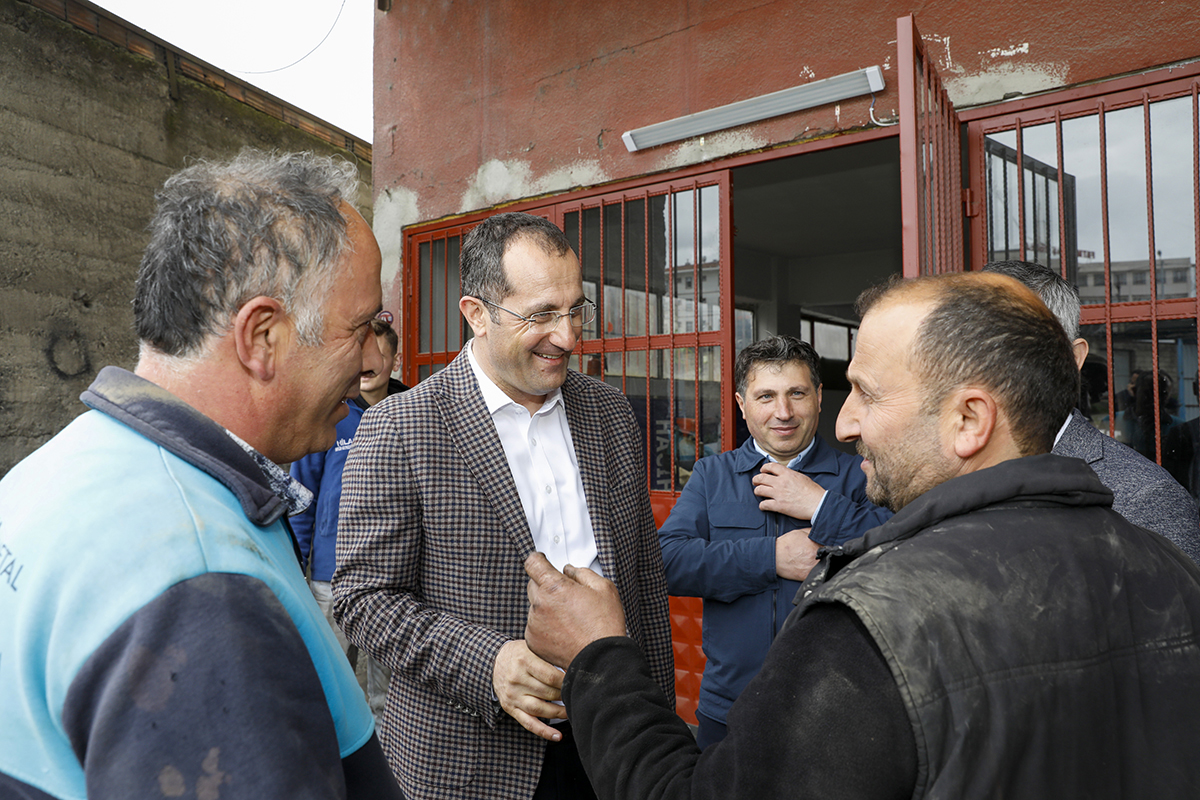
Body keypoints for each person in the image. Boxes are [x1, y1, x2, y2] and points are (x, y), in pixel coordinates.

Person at [524, 271, 1200, 800]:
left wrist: (598, 657)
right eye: (769, 397)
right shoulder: (1171, 574)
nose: (845, 424)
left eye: (865, 394)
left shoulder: (875, 626)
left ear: (970, 420)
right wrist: (768, 557)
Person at [0, 151, 402, 799]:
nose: (367, 363)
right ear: (262, 336)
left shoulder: (55, 469)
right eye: (361, 329)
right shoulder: (204, 582)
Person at [333, 211, 674, 800]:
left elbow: (645, 582)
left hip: (613, 746)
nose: (567, 337)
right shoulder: (399, 426)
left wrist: (656, 722)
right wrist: (487, 663)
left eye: (575, 310)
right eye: (541, 315)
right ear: (476, 314)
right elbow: (363, 599)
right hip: (474, 763)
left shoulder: (611, 413)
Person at [658, 334, 890, 748]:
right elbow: (667, 561)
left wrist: (820, 505)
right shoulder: (712, 476)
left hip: (833, 708)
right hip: (728, 707)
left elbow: (899, 545)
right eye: (766, 396)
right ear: (741, 404)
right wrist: (770, 558)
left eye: (796, 393)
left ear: (819, 397)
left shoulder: (859, 476)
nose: (783, 412)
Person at [983, 260, 1199, 560]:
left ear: (1074, 358)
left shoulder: (1144, 499)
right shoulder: (942, 469)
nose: (982, 366)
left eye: (1011, 346)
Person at [290, 317, 408, 720]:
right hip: (332, 577)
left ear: (394, 360)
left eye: (378, 354)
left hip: (392, 580)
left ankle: (387, 755)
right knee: (330, 684)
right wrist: (296, 565)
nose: (367, 364)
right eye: (360, 354)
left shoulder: (412, 415)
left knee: (389, 695)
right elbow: (301, 498)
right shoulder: (331, 414)